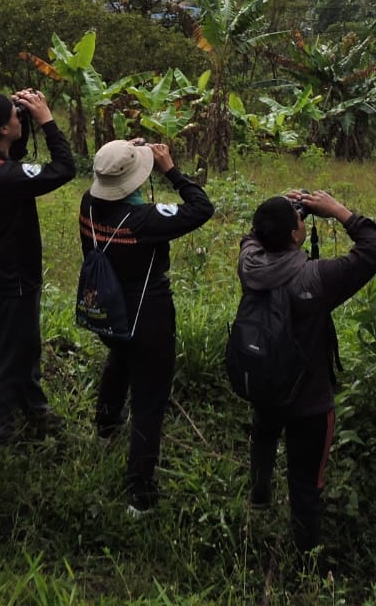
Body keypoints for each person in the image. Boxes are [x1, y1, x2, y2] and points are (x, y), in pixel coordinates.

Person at [239, 189, 376, 553]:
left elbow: (252, 235)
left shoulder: (249, 264)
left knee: (263, 436)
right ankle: (305, 552)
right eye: (299, 221)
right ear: (295, 234)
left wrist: (277, 212)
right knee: (307, 478)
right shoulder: (317, 278)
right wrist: (338, 210)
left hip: (265, 379)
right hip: (309, 399)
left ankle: (259, 495)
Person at [78, 137, 214, 514]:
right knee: (149, 401)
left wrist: (126, 155)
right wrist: (170, 169)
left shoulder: (88, 205)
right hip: (148, 316)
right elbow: (202, 208)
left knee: (119, 362)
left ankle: (105, 431)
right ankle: (141, 495)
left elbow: (112, 180)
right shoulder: (145, 220)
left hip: (105, 307)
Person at [0, 88, 75, 443]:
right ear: (2, 130)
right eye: (13, 117)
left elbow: (15, 161)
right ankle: (2, 433)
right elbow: (64, 169)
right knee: (12, 357)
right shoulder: (7, 178)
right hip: (14, 280)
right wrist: (47, 120)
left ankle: (35, 408)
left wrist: (20, 122)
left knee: (23, 346)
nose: (18, 119)